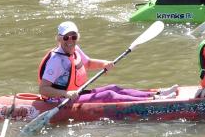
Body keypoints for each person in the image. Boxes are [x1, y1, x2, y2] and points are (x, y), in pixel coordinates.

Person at [38, 21, 177, 102]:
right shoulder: (56, 61)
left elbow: (88, 63)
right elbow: (43, 89)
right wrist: (65, 94)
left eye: (73, 37)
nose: (70, 40)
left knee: (113, 88)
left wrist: (104, 63)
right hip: (59, 100)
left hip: (75, 93)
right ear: (59, 38)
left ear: (77, 37)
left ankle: (158, 94)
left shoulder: (75, 49)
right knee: (109, 95)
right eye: (66, 37)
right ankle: (152, 102)